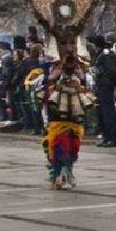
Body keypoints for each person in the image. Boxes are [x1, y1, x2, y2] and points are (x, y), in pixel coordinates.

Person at [38, 39, 93, 189]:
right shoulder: (52, 68)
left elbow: (86, 89)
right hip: (56, 114)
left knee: (73, 144)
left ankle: (68, 170)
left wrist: (80, 76)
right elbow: (44, 89)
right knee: (57, 144)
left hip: (74, 113)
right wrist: (54, 75)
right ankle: (56, 174)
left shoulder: (79, 68)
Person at [92, 35, 116, 147]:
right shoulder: (100, 54)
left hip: (106, 85)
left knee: (108, 112)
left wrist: (112, 84)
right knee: (101, 113)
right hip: (100, 86)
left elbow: (111, 71)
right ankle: (106, 136)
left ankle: (113, 138)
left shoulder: (106, 54)